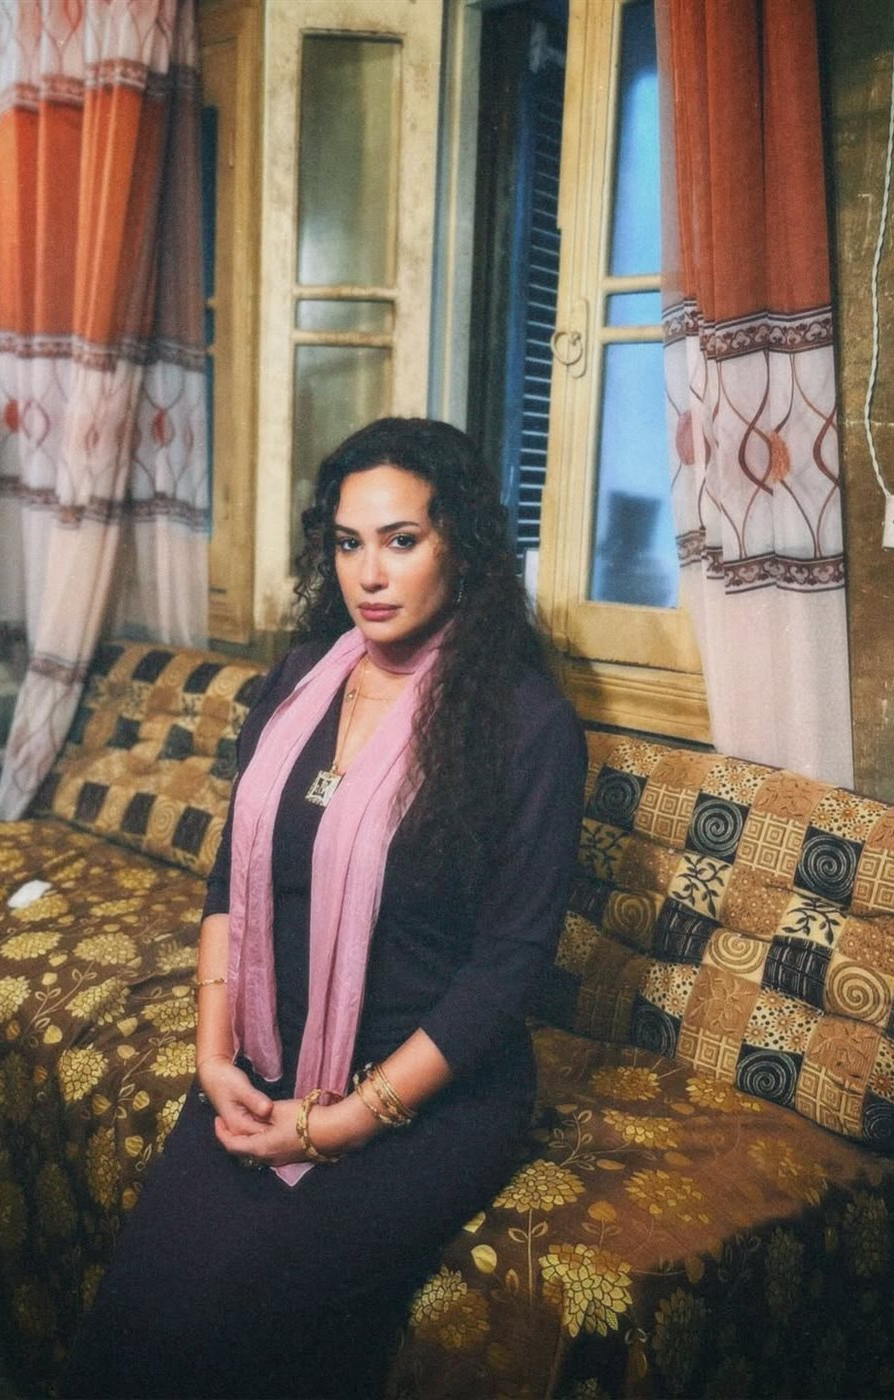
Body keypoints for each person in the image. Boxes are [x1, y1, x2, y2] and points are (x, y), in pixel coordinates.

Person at [61, 417, 586, 1399]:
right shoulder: (302, 676)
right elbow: (232, 880)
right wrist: (214, 1057)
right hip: (266, 1054)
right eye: (349, 543)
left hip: (429, 1096)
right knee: (134, 1320)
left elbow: (507, 968)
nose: (369, 574)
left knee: (233, 1324)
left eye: (402, 540)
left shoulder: (527, 726)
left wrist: (340, 1125)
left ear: (462, 548)